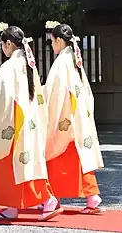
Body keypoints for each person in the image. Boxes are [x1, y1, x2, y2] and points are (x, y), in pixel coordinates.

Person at [0, 24, 64, 221]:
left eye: (2, 45)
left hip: (14, 124)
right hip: (28, 122)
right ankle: (13, 207)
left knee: (11, 165)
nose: (2, 49)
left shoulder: (10, 66)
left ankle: (47, 199)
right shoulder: (27, 63)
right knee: (25, 165)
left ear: (9, 43)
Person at [39, 23, 104, 214]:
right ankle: (92, 197)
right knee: (79, 157)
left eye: (52, 42)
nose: (52, 46)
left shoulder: (62, 62)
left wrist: (40, 98)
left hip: (65, 118)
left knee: (53, 154)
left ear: (59, 40)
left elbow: (54, 92)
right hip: (76, 118)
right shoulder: (73, 60)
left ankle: (50, 198)